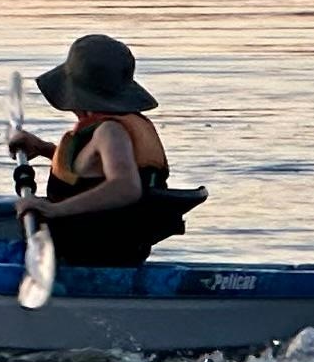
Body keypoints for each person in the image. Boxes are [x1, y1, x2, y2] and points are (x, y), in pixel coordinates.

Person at [11, 31, 201, 268]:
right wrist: (44, 149)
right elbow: (90, 171)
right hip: (107, 247)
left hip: (87, 252)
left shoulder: (110, 131)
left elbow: (126, 186)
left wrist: (54, 210)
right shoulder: (114, 127)